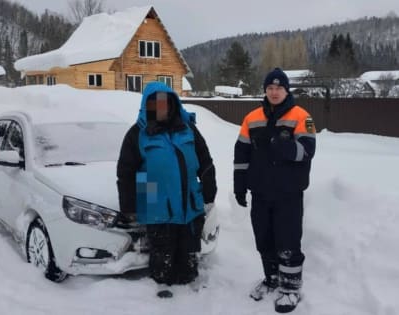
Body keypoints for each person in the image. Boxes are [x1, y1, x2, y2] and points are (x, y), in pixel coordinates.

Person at [117, 81, 217, 298]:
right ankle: (162, 282)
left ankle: (188, 279)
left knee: (188, 242)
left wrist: (209, 188)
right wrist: (129, 205)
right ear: (147, 105)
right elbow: (126, 172)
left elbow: (205, 160)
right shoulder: (137, 133)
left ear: (172, 103)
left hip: (188, 195)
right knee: (162, 244)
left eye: (165, 102)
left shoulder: (188, 128)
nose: (161, 107)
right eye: (155, 103)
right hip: (152, 194)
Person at [233, 68, 316, 313]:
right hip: (260, 192)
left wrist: (285, 147)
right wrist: (239, 185)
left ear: (286, 90)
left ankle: (290, 288)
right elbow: (241, 154)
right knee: (264, 239)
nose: (274, 92)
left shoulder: (303, 116)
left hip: (288, 194)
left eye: (279, 88)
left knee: (287, 240)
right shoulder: (251, 118)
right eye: (270, 88)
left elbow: (308, 150)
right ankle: (271, 279)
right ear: (265, 90)